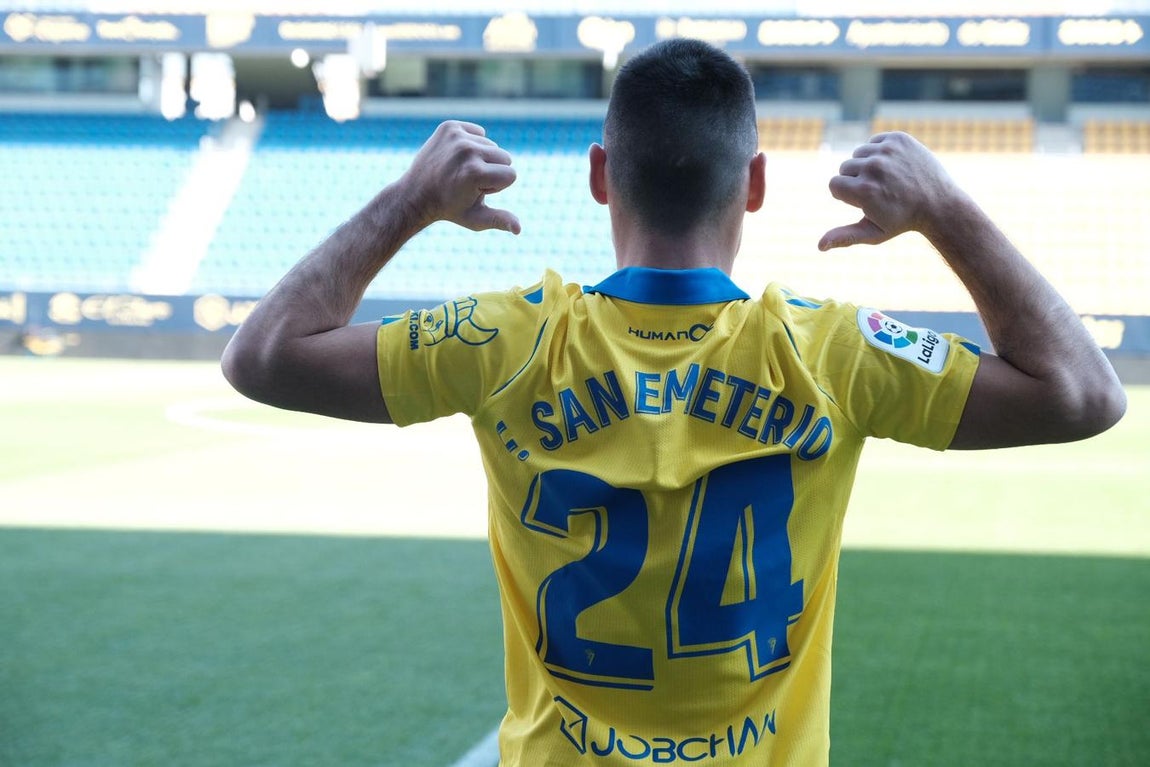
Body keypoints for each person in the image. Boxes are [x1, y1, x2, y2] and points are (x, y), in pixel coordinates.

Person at [221, 39, 1126, 767]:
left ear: (600, 174)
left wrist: (409, 201)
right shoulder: (834, 351)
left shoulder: (508, 339)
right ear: (756, 184)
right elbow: (1082, 393)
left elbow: (263, 356)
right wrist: (947, 212)